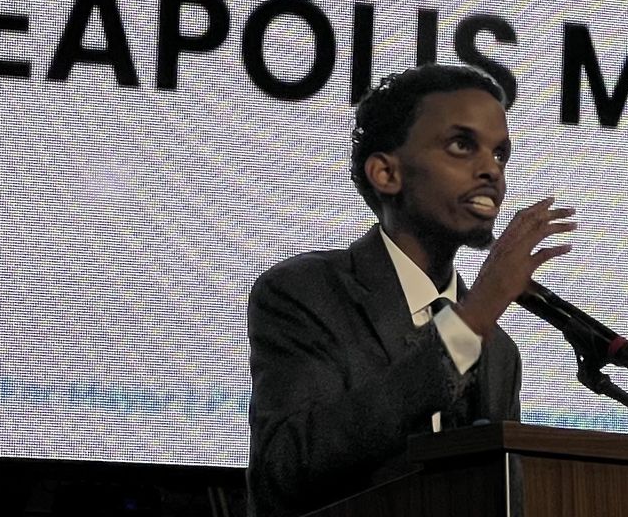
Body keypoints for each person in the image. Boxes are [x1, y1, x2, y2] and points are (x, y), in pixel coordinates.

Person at [245, 63, 576, 517]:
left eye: (500, 154)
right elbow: (285, 473)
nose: (491, 171)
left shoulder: (499, 353)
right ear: (386, 173)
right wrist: (473, 318)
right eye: (462, 145)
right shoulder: (307, 293)